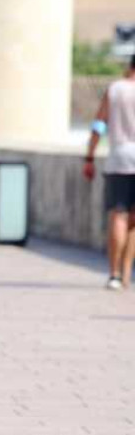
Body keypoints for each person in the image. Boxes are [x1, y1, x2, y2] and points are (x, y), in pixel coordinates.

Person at [85, 54, 135, 290]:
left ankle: (114, 274)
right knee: (134, 221)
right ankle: (126, 273)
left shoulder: (115, 89)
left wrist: (90, 156)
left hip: (119, 159)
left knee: (119, 214)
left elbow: (99, 124)